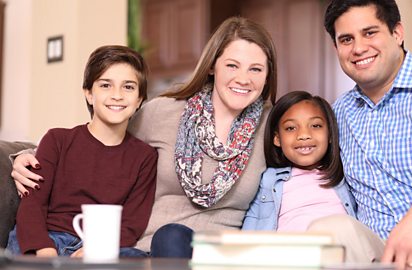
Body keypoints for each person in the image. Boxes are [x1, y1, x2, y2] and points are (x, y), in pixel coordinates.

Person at [10, 17, 278, 258]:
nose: (243, 78)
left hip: (219, 254)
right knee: (169, 236)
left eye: (256, 69)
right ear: (212, 67)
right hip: (155, 246)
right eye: (232, 65)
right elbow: (101, 135)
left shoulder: (273, 125)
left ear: (267, 76)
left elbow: (309, 152)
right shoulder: (164, 112)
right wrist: (25, 156)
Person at [308, 1, 412, 270]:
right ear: (336, 48)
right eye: (346, 39)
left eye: (370, 32)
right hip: (378, 251)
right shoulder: (339, 112)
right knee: (329, 229)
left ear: (397, 33)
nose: (358, 48)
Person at [6, 45, 158, 257]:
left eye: (128, 87)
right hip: (46, 238)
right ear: (88, 94)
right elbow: (32, 206)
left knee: (137, 257)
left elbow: (132, 223)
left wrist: (97, 249)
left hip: (100, 246)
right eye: (106, 85)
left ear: (140, 99)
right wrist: (45, 251)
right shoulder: (57, 140)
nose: (117, 95)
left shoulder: (145, 157)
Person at [242, 91, 356, 232]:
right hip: (290, 250)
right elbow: (253, 219)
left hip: (339, 249)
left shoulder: (344, 175)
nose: (304, 135)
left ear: (330, 134)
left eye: (315, 126)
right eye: (291, 128)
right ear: (277, 139)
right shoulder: (269, 180)